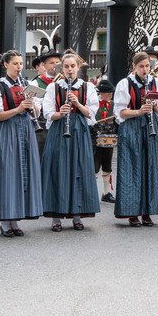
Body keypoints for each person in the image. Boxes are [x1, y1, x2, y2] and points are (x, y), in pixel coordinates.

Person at [0, 50, 43, 237]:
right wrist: (18, 109)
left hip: (26, 130)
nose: (19, 67)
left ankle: (15, 220)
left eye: (21, 63)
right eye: (15, 63)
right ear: (6, 65)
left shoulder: (28, 85)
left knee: (23, 173)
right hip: (7, 130)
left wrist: (31, 104)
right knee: (7, 173)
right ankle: (4, 222)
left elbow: (37, 113)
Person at [41, 54, 100, 232]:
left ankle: (77, 215)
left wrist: (77, 104)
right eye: (66, 66)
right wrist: (60, 113)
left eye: (73, 66)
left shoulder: (87, 86)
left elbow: (91, 113)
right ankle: (56, 217)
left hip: (79, 130)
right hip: (59, 129)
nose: (70, 69)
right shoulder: (53, 87)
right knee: (58, 169)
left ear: (78, 67)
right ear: (62, 69)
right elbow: (48, 113)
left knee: (79, 169)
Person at [113, 52, 158, 227]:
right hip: (131, 127)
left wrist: (155, 104)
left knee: (150, 168)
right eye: (141, 66)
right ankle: (132, 212)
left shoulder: (157, 83)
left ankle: (147, 211)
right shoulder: (125, 84)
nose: (145, 70)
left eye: (147, 66)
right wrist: (139, 111)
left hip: (151, 127)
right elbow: (120, 113)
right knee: (132, 169)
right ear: (134, 66)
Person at [32, 50, 61, 155]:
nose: (55, 65)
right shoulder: (35, 83)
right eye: (51, 63)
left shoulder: (66, 81)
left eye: (57, 62)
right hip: (43, 125)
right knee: (42, 154)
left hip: (62, 122)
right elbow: (35, 106)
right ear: (44, 65)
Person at [93, 79, 117, 203]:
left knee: (107, 165)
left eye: (111, 93)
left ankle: (106, 193)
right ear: (101, 93)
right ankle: (92, 193)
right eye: (108, 94)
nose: (111, 95)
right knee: (95, 166)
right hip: (95, 138)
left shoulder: (113, 104)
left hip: (109, 137)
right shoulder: (94, 103)